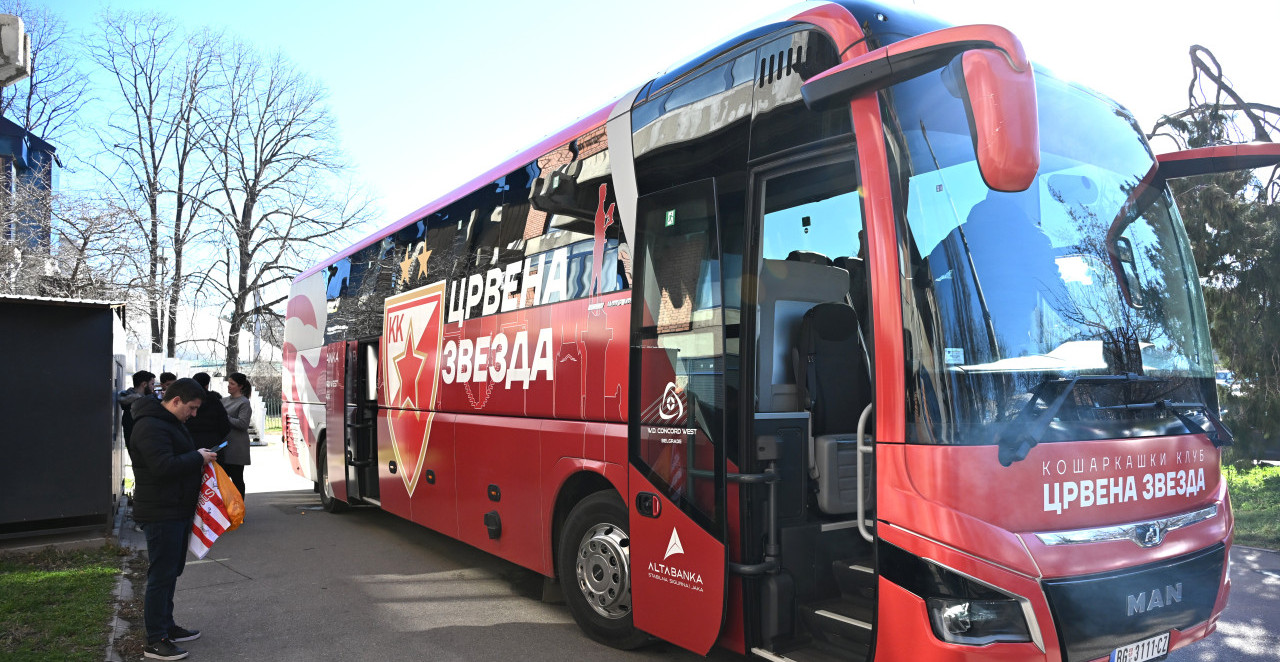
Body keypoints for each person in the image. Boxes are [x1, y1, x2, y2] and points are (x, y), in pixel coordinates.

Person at [127, 378, 218, 661]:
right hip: (161, 512)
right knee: (161, 575)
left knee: (171, 572)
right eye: (191, 408)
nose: (193, 414)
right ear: (176, 400)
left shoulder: (169, 422)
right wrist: (198, 458)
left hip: (175, 509)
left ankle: (167, 627)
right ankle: (156, 640)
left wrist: (197, 458)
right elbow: (162, 466)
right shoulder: (150, 426)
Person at [221, 373, 254, 498]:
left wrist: (226, 417)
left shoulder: (244, 402)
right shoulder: (223, 400)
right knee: (222, 480)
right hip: (223, 445)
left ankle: (239, 507)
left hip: (237, 447)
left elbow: (243, 424)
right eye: (228, 383)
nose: (229, 386)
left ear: (240, 386)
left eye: (232, 383)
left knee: (237, 479)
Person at [186, 373, 231, 451]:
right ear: (207, 385)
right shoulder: (215, 400)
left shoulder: (186, 399)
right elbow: (225, 425)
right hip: (213, 445)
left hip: (189, 443)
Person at [119, 370, 157, 442]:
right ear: (144, 384)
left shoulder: (134, 402)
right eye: (152, 384)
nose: (153, 387)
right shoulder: (139, 405)